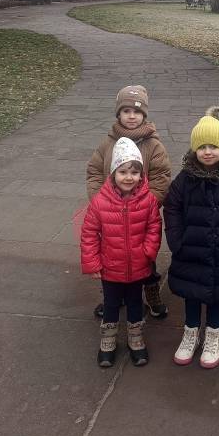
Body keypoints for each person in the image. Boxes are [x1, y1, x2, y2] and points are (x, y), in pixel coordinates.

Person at [164, 116, 219, 368]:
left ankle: (213, 334)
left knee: (216, 296)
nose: (208, 152)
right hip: (190, 250)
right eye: (202, 147)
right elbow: (172, 208)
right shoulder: (184, 179)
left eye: (213, 146)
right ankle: (190, 332)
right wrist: (177, 240)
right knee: (191, 294)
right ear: (194, 150)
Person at [86, 85, 171, 319]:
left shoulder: (153, 145)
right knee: (111, 254)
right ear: (119, 114)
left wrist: (148, 203)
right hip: (111, 213)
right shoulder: (107, 143)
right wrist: (99, 201)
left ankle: (151, 292)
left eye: (137, 112)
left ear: (144, 115)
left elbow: (161, 177)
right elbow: (94, 171)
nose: (131, 116)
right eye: (126, 111)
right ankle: (113, 297)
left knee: (145, 257)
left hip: (141, 213)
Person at [81, 137, 162, 368]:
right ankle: (108, 340)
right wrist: (93, 263)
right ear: (113, 173)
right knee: (111, 304)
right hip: (110, 267)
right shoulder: (100, 202)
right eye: (123, 172)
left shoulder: (147, 200)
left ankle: (135, 338)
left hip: (138, 266)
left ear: (141, 175)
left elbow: (154, 226)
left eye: (134, 172)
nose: (129, 177)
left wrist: (148, 252)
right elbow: (89, 233)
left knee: (135, 303)